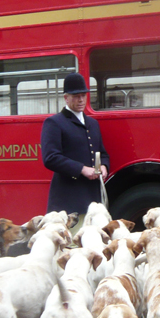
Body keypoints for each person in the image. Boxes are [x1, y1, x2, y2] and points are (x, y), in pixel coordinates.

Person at [40, 72, 110, 216]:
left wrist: (104, 166)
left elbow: (102, 153)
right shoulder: (54, 122)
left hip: (93, 197)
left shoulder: (93, 123)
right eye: (76, 96)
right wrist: (82, 169)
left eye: (83, 95)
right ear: (66, 98)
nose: (81, 100)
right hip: (68, 197)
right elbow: (50, 157)